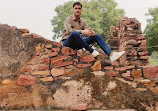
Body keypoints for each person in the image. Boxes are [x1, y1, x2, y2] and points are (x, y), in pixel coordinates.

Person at [61, 2, 125, 62]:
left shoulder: (82, 22)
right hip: (67, 42)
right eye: (76, 8)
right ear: (73, 10)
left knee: (96, 36)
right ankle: (92, 51)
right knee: (74, 33)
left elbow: (87, 30)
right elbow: (69, 31)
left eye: (79, 9)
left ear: (81, 10)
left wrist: (91, 32)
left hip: (78, 43)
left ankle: (111, 54)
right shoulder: (68, 19)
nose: (77, 10)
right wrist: (83, 31)